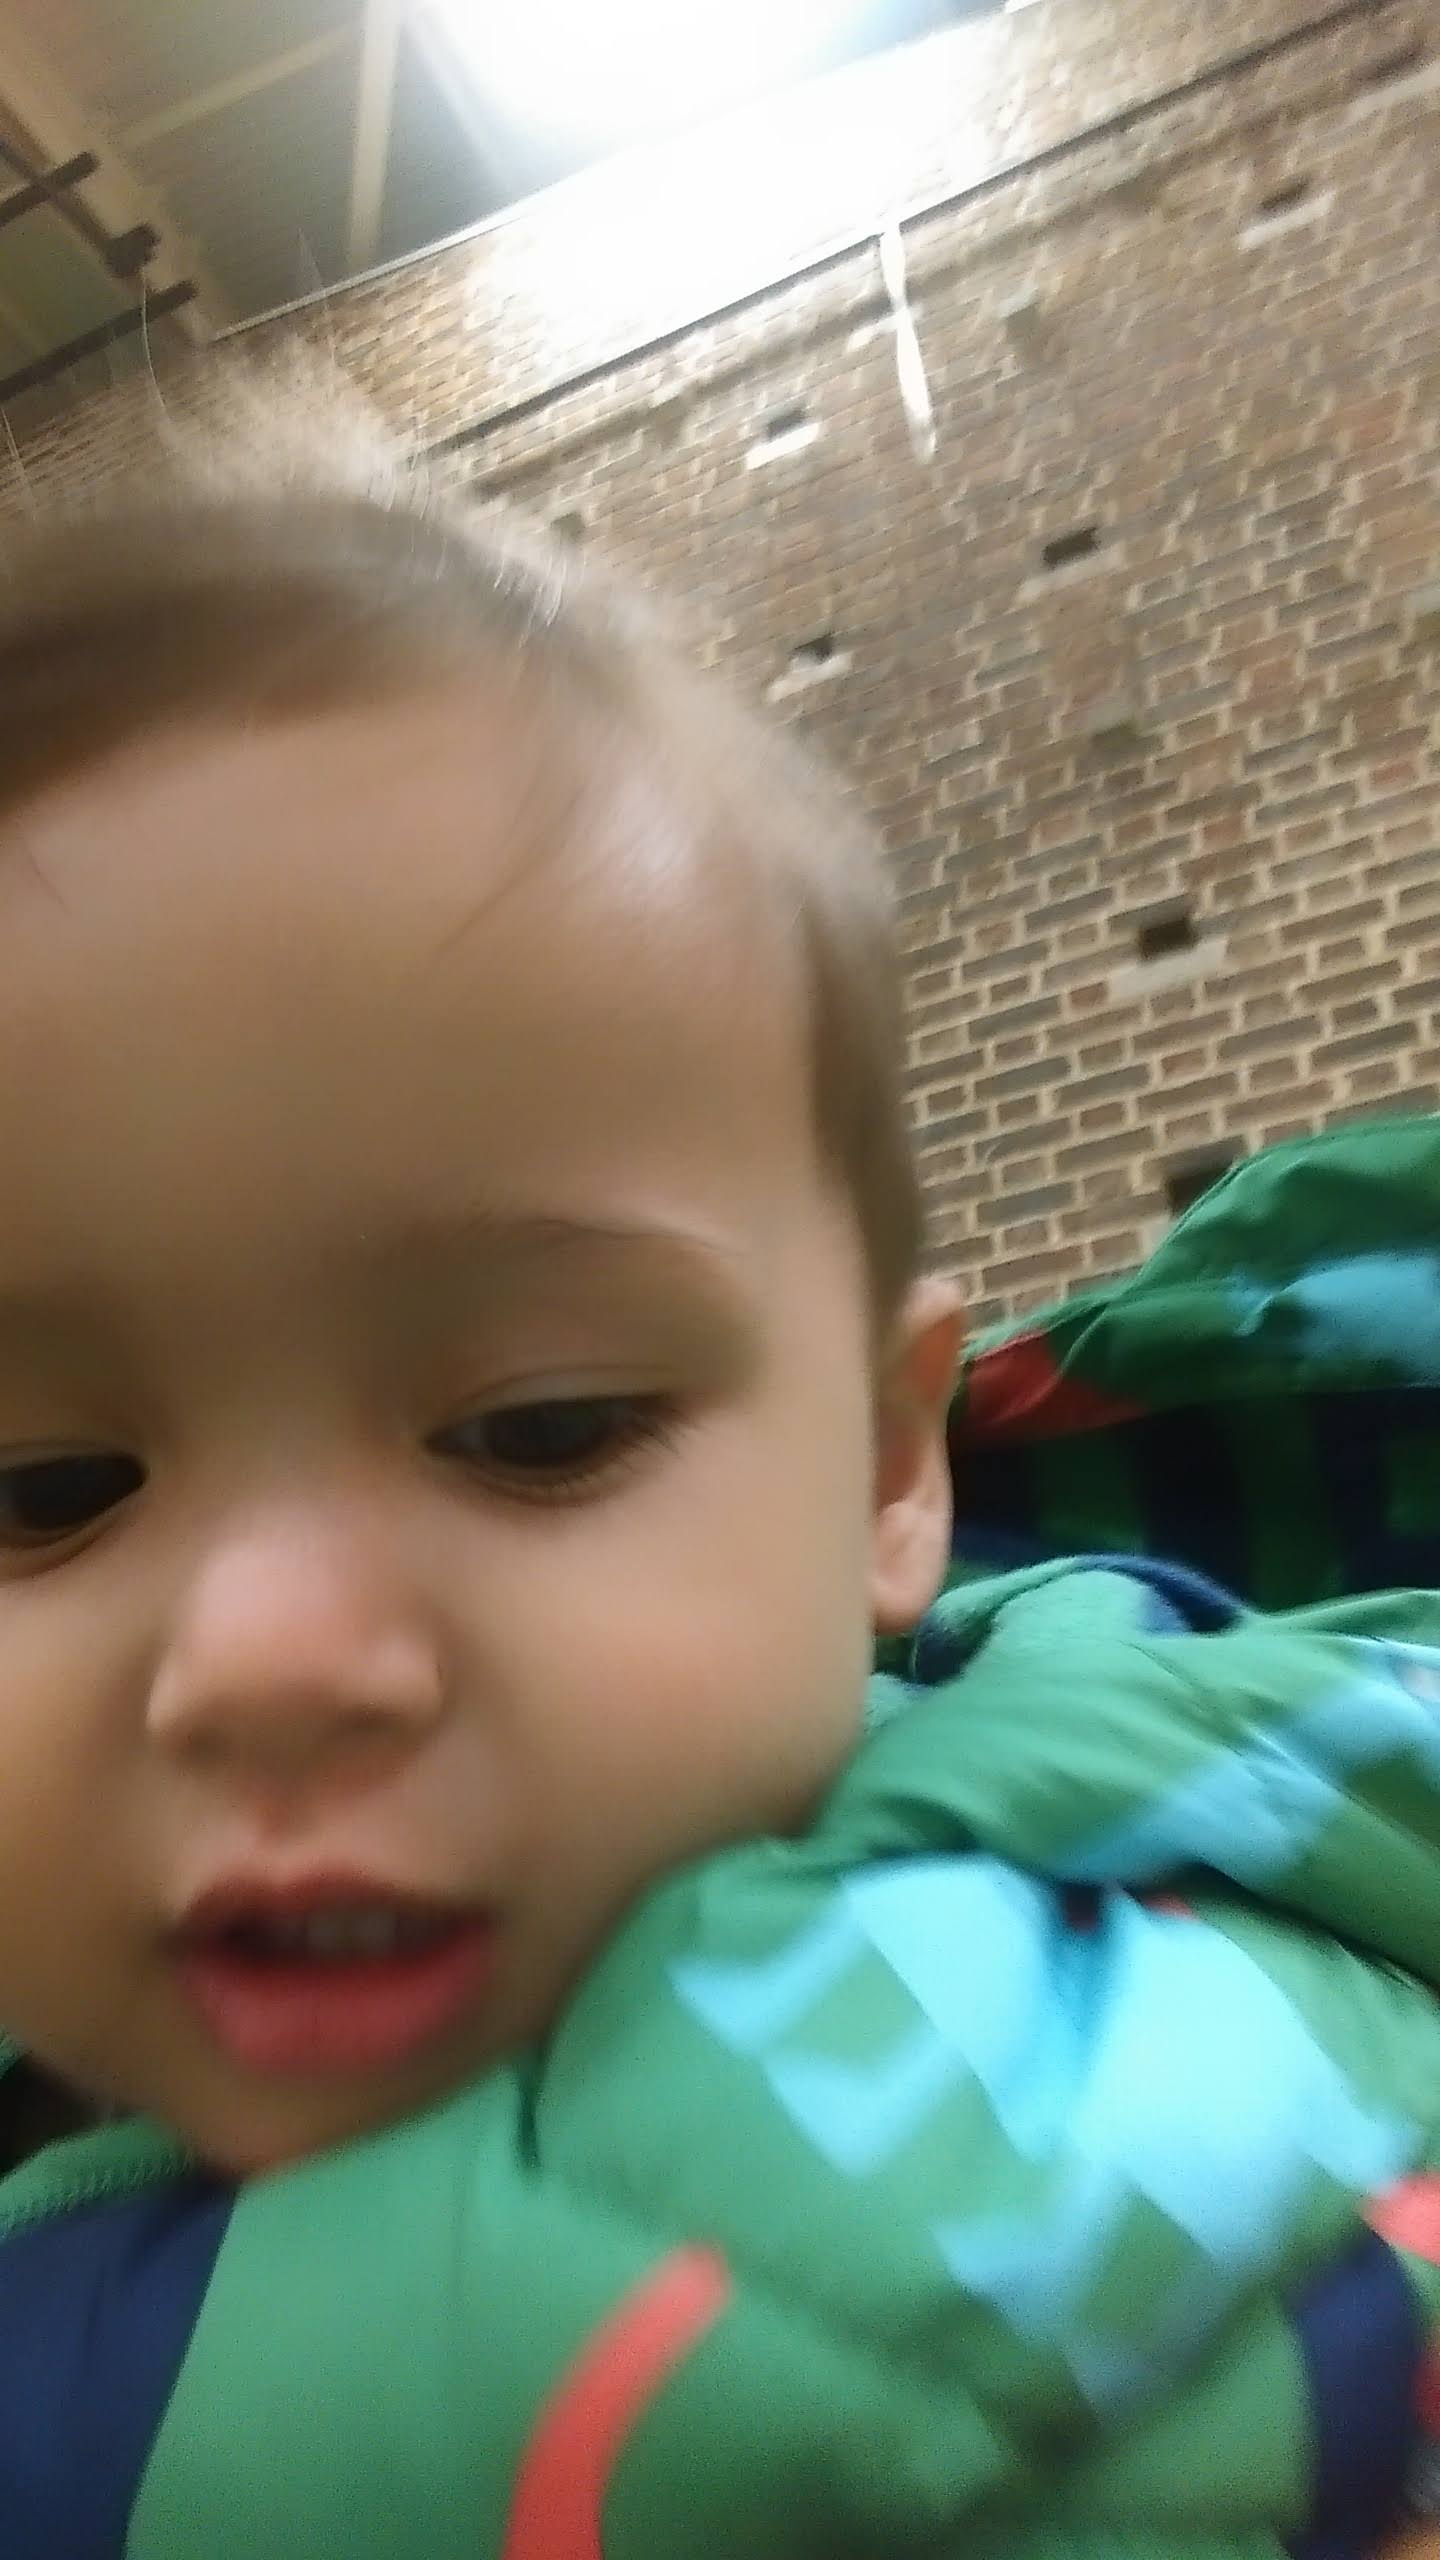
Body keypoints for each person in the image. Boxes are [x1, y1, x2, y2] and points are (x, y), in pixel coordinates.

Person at [0, 407, 1439, 2556]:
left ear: (885, 1466)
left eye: (541, 1424)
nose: (268, 1658)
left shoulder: (1187, 1982)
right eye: (42, 1484)